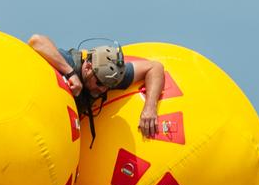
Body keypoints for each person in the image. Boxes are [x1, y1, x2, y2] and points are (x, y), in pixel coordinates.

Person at [28, 35, 168, 134]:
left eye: (109, 86)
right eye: (100, 83)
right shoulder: (70, 62)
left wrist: (150, 107)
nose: (103, 89)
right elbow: (36, 41)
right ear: (88, 68)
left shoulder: (109, 76)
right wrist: (70, 74)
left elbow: (155, 68)